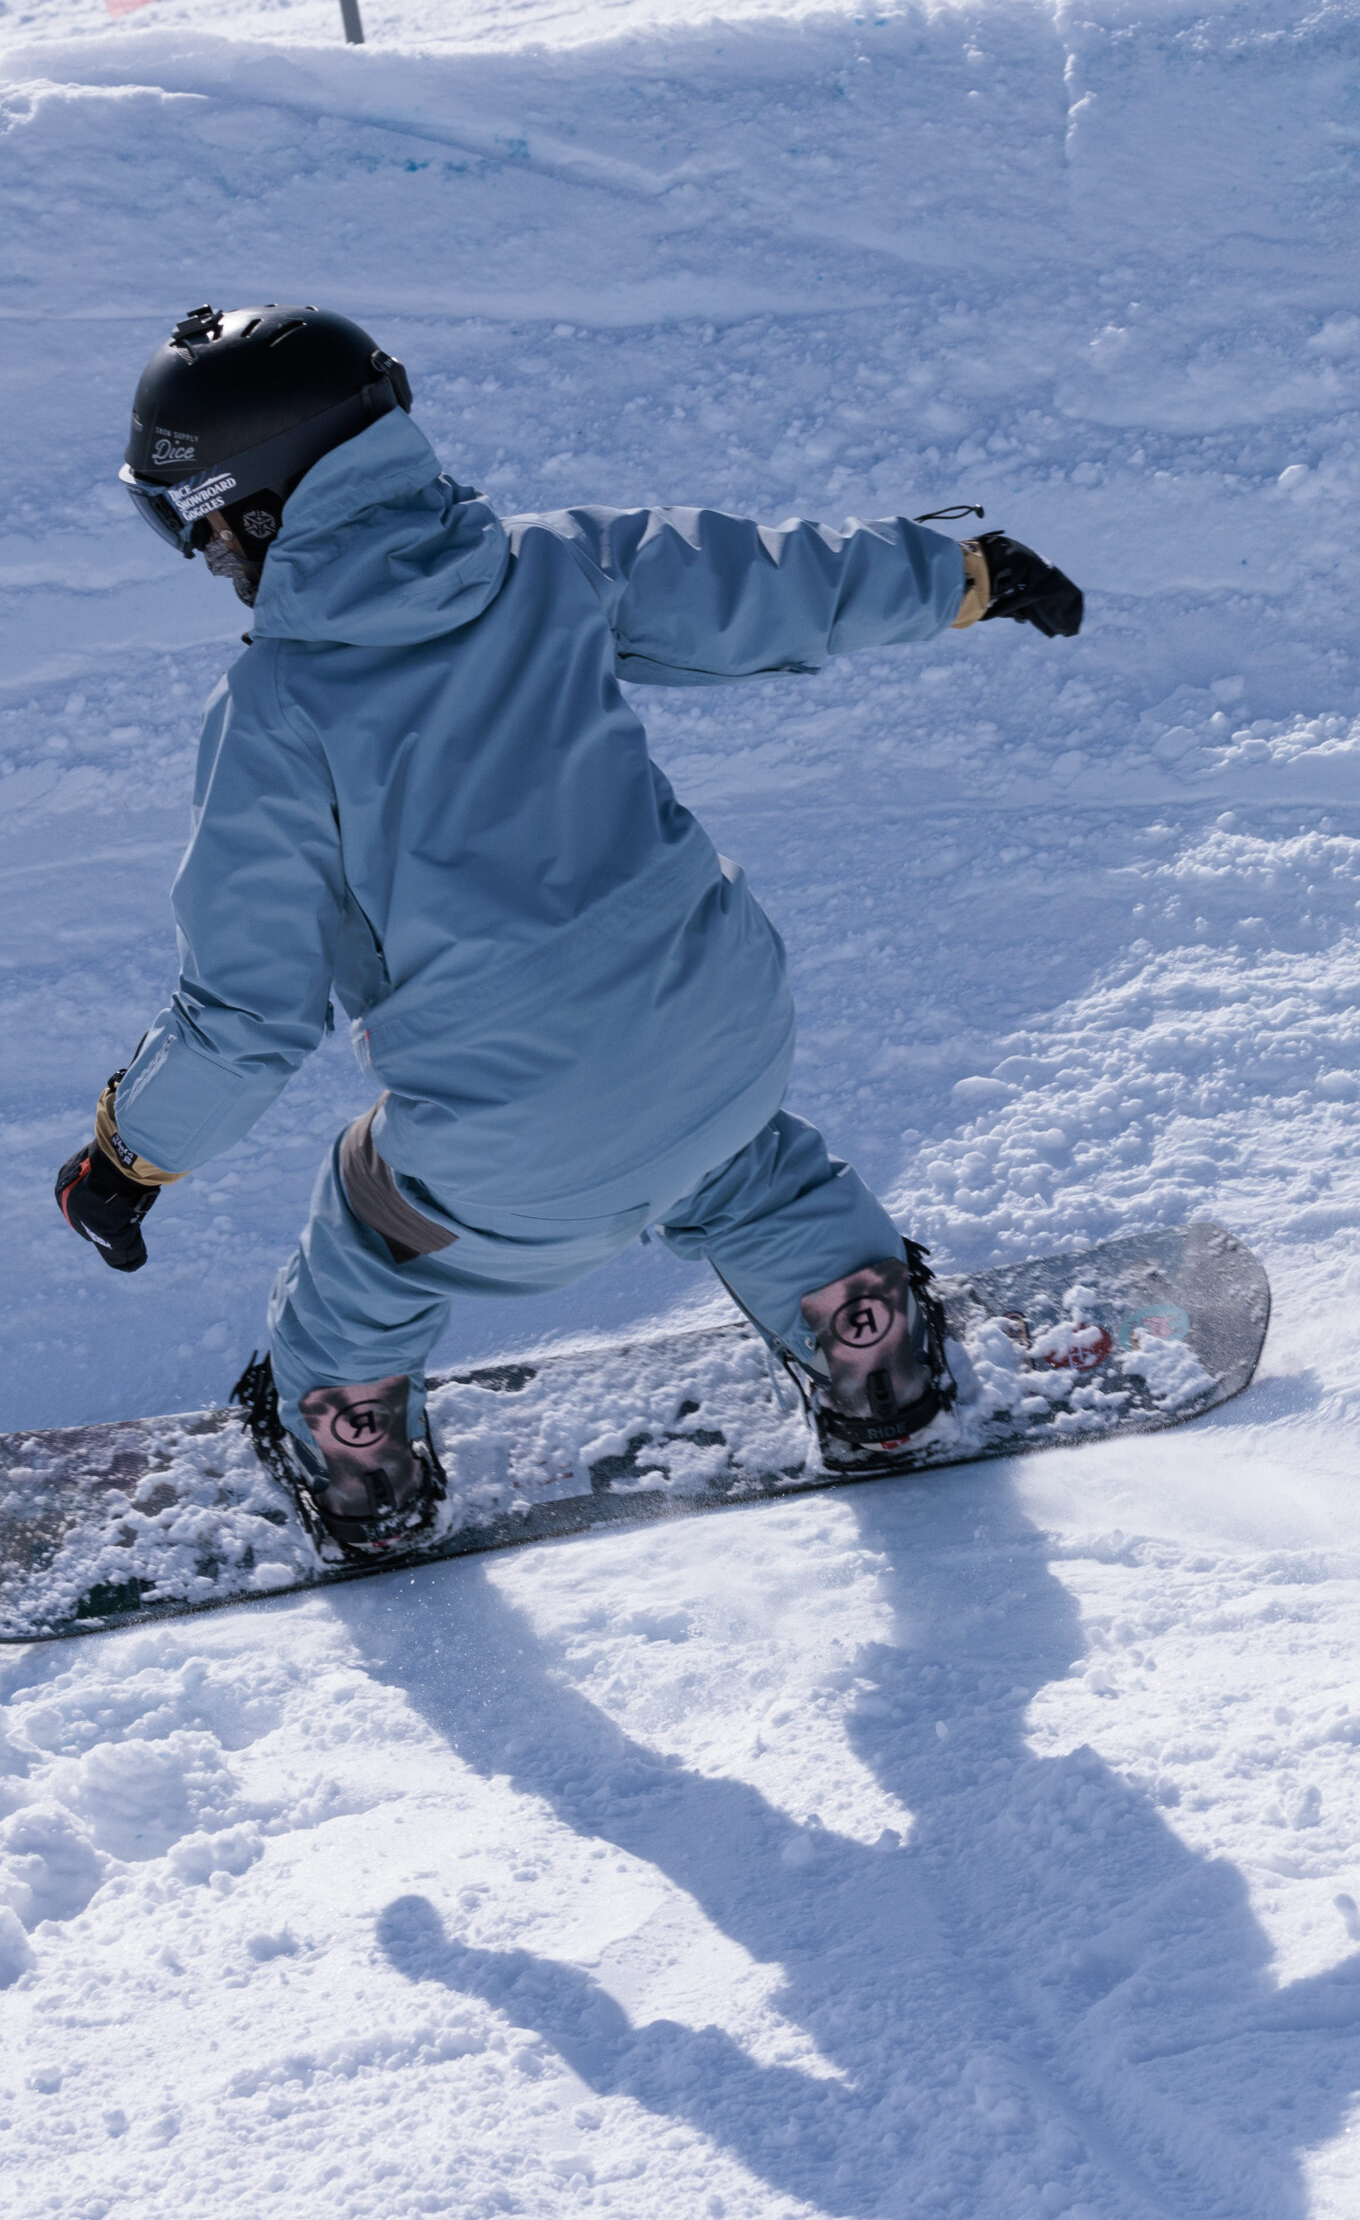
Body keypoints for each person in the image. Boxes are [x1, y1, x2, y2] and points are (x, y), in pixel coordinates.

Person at [54, 304, 1084, 1562]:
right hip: (723, 1032)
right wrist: (963, 577)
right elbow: (763, 587)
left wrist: (128, 1158)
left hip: (519, 1141)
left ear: (263, 510)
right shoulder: (549, 565)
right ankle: (872, 1353)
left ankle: (359, 1463)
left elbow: (247, 1014)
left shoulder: (274, 711)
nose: (207, 554)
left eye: (202, 522)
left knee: (370, 1227)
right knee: (736, 1160)